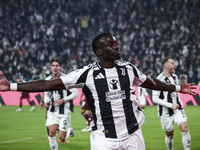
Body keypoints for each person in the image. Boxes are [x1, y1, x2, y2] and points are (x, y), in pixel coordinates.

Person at [0, 33, 196, 150]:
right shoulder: (87, 73)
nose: (116, 46)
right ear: (99, 51)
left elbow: (151, 83)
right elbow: (48, 84)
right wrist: (12, 86)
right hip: (104, 138)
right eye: (110, 44)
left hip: (133, 134)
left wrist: (178, 88)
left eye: (116, 42)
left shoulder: (128, 68)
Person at [152, 57, 192, 150]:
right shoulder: (159, 79)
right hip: (165, 112)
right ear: (166, 66)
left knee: (185, 130)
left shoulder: (175, 77)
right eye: (172, 63)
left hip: (177, 110)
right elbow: (155, 98)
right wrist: (170, 105)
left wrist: (180, 104)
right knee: (170, 135)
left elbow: (176, 94)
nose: (175, 64)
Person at [41, 58, 79, 149]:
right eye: (53, 65)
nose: (55, 68)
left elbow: (76, 93)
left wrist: (63, 100)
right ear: (50, 67)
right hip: (52, 110)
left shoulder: (66, 79)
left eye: (57, 66)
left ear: (60, 67)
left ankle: (69, 129)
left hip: (64, 110)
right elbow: (46, 93)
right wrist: (46, 102)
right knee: (51, 133)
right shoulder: (47, 80)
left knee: (61, 138)